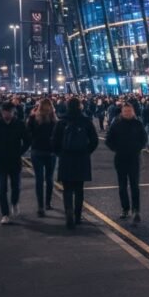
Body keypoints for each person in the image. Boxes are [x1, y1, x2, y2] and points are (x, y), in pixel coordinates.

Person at [52, 97, 99, 228]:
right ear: (80, 106)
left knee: (67, 188)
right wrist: (87, 151)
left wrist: (60, 153)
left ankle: (69, 211)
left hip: (66, 157)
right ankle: (78, 216)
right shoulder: (86, 121)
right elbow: (94, 140)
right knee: (79, 188)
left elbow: (54, 141)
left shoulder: (61, 122)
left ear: (67, 106)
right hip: (81, 157)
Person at [0, 101, 31, 224]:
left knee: (16, 187)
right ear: (1, 112)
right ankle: (5, 214)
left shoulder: (19, 124)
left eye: (9, 112)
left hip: (14, 160)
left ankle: (14, 203)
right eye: (5, 112)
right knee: (2, 189)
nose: (7, 114)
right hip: (0, 161)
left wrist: (20, 152)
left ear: (13, 112)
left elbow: (27, 140)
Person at [105, 102, 147, 223]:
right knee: (122, 186)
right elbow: (109, 140)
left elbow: (144, 138)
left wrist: (138, 147)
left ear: (133, 112)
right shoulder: (116, 124)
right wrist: (116, 148)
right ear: (122, 112)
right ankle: (125, 208)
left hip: (134, 158)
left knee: (135, 185)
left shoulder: (138, 123)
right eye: (125, 111)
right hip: (121, 158)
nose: (127, 113)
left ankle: (136, 210)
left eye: (129, 111)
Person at [26, 98, 57, 217]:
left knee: (39, 179)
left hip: (37, 150)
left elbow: (28, 132)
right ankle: (48, 203)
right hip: (51, 151)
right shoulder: (54, 119)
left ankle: (40, 206)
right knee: (49, 178)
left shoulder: (34, 118)